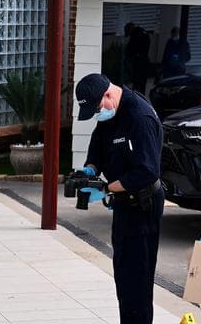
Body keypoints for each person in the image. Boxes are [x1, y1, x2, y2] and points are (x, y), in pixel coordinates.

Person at [75, 73, 164, 324]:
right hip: (125, 205)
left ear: (108, 94)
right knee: (124, 276)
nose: (98, 114)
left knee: (138, 278)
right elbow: (98, 147)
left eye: (97, 108)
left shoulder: (139, 117)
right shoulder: (109, 115)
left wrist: (105, 188)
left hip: (144, 205)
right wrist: (89, 169)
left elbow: (147, 171)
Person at [126, 24, 152, 90]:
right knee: (142, 82)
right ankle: (141, 96)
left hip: (138, 61)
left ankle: (137, 95)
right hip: (145, 60)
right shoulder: (143, 32)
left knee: (137, 82)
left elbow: (131, 48)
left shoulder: (135, 34)